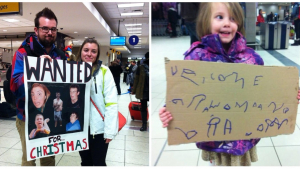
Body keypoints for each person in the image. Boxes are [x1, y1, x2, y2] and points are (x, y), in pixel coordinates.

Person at [160, 2, 263, 166]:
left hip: (243, 135)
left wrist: (287, 96)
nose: (227, 23)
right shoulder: (196, 57)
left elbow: (266, 91)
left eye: (233, 18)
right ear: (205, 21)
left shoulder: (252, 58)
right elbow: (182, 91)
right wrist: (170, 109)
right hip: (214, 135)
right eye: (219, 17)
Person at [10, 7, 66, 166]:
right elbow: (15, 87)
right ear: (36, 30)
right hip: (26, 117)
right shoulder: (22, 53)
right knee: (29, 159)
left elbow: (66, 88)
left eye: (53, 29)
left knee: (49, 159)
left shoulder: (61, 56)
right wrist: (36, 70)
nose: (50, 32)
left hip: (50, 115)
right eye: (45, 28)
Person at [72, 38, 118, 166]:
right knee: (85, 162)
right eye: (86, 50)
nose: (89, 54)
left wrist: (110, 130)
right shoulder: (71, 70)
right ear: (81, 51)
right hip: (79, 126)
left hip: (99, 129)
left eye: (93, 51)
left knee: (99, 162)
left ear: (97, 54)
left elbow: (112, 102)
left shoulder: (104, 71)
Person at [132, 52, 149, 131]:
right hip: (143, 90)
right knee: (143, 107)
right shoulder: (141, 67)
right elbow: (137, 79)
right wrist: (134, 90)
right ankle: (144, 124)